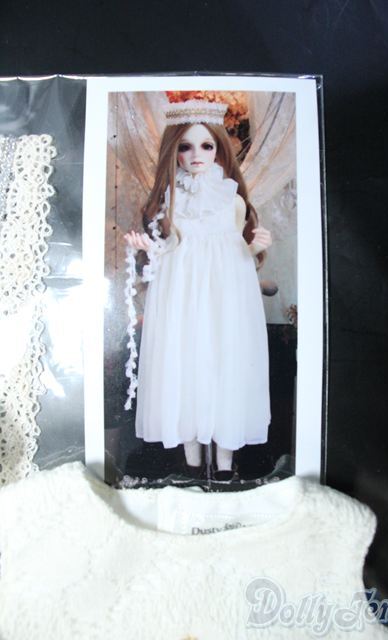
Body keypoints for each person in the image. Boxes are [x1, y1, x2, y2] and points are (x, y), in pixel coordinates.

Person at [125, 99, 272, 481]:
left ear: (219, 148)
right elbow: (171, 246)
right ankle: (192, 465)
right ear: (173, 152)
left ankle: (224, 466)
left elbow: (238, 247)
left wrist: (255, 246)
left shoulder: (231, 199)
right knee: (186, 365)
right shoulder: (170, 200)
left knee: (225, 365)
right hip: (183, 293)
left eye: (206, 145)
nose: (196, 155)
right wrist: (149, 247)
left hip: (225, 293)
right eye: (185, 147)